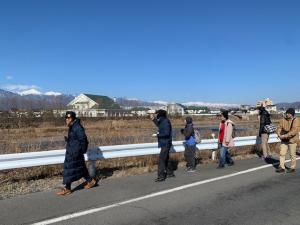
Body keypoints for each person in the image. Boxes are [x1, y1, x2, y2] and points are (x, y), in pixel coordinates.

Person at [57, 111, 97, 196]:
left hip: (75, 153)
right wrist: (69, 140)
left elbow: (84, 140)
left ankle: (67, 189)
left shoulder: (77, 127)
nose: (66, 120)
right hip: (72, 151)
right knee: (81, 168)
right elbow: (76, 139)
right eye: (66, 118)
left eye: (68, 118)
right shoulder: (72, 126)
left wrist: (82, 150)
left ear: (72, 119)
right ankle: (91, 181)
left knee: (68, 169)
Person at [150, 109, 174, 182]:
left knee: (161, 160)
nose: (156, 115)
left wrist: (157, 135)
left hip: (166, 143)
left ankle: (161, 176)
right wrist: (153, 119)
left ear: (160, 115)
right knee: (166, 158)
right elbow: (159, 124)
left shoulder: (166, 122)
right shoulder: (163, 120)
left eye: (157, 114)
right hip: (165, 143)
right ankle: (170, 173)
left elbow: (166, 133)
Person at [276, 108, 299, 173]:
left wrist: (284, 136)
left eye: (288, 113)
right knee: (282, 153)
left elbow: (294, 131)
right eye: (287, 113)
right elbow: (279, 127)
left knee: (292, 154)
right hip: (284, 140)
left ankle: (292, 167)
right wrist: (278, 134)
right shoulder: (283, 120)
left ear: (292, 114)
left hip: (292, 139)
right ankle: (282, 167)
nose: (287, 114)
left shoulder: (296, 120)